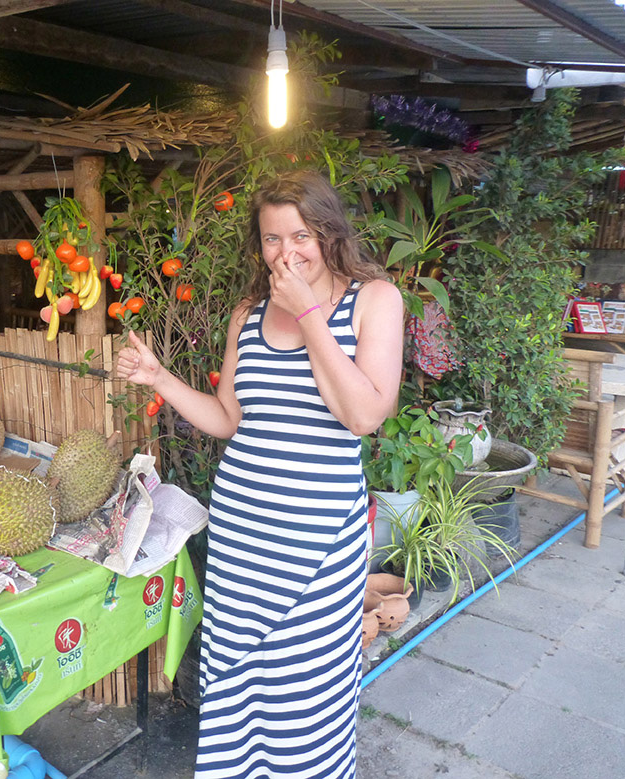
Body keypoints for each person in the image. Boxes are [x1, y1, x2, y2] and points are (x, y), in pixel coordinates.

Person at [116, 171, 403, 778]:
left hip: (317, 545)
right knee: (238, 692)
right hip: (243, 537)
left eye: (300, 235)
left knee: (305, 703)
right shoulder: (248, 312)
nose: (286, 252)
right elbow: (228, 420)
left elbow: (362, 415)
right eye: (272, 239)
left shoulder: (374, 300)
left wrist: (310, 318)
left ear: (328, 233)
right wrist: (158, 378)